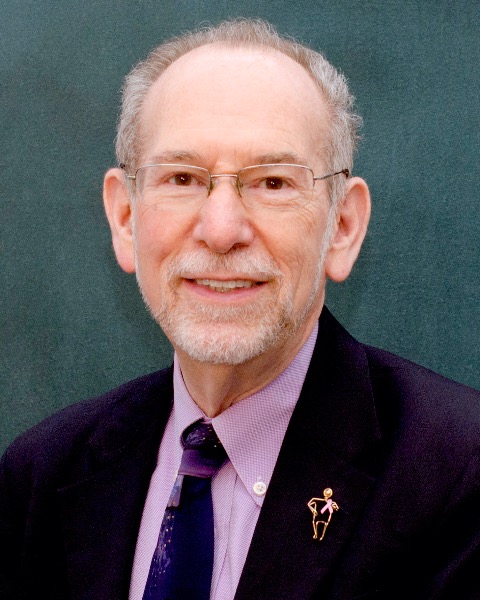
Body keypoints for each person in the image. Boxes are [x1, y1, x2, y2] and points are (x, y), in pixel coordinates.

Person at [1, 17, 479, 600]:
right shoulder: (42, 478)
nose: (222, 229)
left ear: (343, 227)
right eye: (182, 178)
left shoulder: (459, 477)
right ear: (125, 219)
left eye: (272, 182)